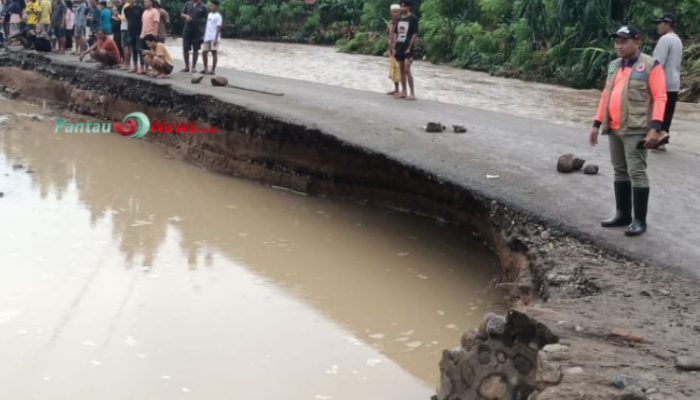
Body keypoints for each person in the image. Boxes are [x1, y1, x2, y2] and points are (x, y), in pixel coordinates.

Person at [589, 26, 668, 237]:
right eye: (616, 41)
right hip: (614, 127)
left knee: (637, 173)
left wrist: (656, 128)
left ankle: (639, 220)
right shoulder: (614, 66)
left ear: (637, 42)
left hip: (637, 128)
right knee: (620, 171)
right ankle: (622, 214)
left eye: (624, 41)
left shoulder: (651, 66)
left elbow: (660, 97)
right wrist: (596, 124)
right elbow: (606, 95)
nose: (619, 45)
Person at [652, 13, 683, 152]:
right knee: (667, 112)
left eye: (660, 23)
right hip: (674, 82)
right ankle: (662, 140)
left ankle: (657, 137)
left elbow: (658, 62)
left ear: (667, 24)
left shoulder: (665, 39)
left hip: (662, 81)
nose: (658, 26)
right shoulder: (677, 40)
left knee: (657, 110)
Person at [394, 0, 418, 100]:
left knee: (407, 68)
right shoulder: (399, 19)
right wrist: (394, 45)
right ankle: (404, 91)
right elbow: (396, 32)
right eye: (400, 6)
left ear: (408, 7)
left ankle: (412, 93)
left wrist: (409, 47)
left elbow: (415, 33)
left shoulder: (413, 18)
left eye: (403, 6)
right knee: (401, 69)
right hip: (399, 47)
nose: (401, 8)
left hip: (408, 48)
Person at [180, 0, 206, 73]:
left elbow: (205, 19)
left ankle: (193, 67)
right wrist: (185, 16)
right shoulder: (188, 4)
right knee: (185, 48)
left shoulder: (203, 7)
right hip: (187, 29)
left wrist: (203, 30)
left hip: (197, 30)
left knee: (196, 48)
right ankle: (186, 66)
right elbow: (182, 14)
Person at [200, 0, 220, 75]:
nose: (211, 7)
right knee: (204, 52)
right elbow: (207, 26)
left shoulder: (218, 16)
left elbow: (218, 28)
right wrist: (204, 34)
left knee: (214, 53)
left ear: (216, 6)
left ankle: (213, 70)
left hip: (214, 37)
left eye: (212, 5)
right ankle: (205, 69)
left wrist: (216, 38)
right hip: (207, 37)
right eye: (211, 5)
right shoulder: (209, 15)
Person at [123, 0, 143, 73]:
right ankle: (135, 67)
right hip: (130, 33)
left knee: (140, 50)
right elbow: (128, 19)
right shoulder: (126, 9)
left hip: (139, 32)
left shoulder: (140, 8)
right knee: (133, 50)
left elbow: (142, 20)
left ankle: (142, 67)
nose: (130, 1)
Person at [386, 4, 401, 96]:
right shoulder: (389, 23)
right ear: (391, 13)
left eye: (396, 12)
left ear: (399, 12)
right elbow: (390, 36)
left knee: (401, 70)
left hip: (400, 49)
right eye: (393, 12)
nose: (395, 14)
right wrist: (389, 48)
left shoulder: (403, 22)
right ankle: (396, 89)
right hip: (392, 49)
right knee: (393, 69)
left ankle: (403, 90)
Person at [139, 0, 158, 73]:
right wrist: (141, 34)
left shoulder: (155, 11)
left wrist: (155, 34)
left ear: (151, 2)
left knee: (152, 53)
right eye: (144, 2)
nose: (145, 3)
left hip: (151, 35)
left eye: (146, 2)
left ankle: (154, 69)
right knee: (144, 53)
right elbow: (143, 24)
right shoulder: (144, 12)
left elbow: (156, 23)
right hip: (144, 35)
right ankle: (146, 69)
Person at [117, 0, 129, 68]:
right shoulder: (126, 6)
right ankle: (127, 63)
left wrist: (118, 15)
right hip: (125, 28)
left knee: (125, 46)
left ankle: (126, 63)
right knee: (126, 46)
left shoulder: (126, 6)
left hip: (125, 28)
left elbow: (125, 18)